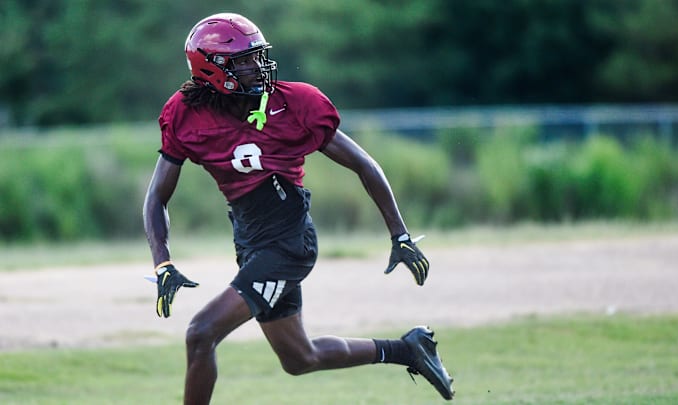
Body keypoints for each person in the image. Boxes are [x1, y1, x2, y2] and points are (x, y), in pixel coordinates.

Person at [142, 12, 454, 404]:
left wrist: (400, 234)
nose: (257, 66)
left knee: (201, 333)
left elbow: (364, 164)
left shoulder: (294, 103)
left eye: (258, 56)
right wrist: (162, 261)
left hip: (288, 245)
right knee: (298, 357)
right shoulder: (184, 114)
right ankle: (408, 349)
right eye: (243, 60)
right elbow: (156, 198)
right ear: (212, 67)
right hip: (251, 242)